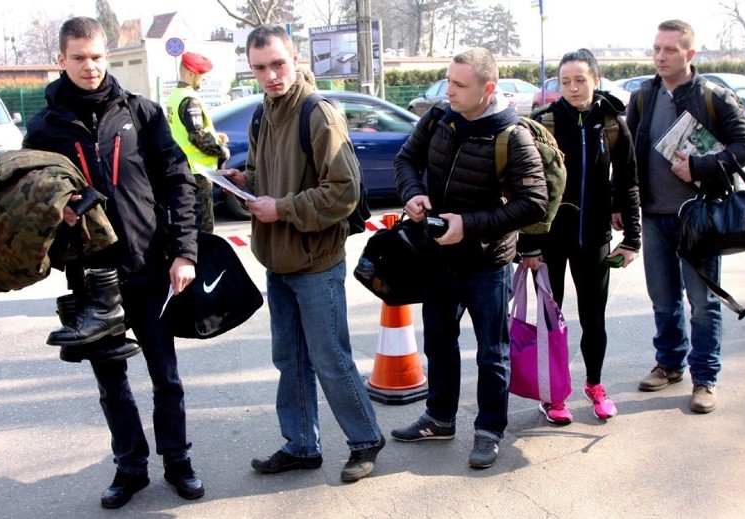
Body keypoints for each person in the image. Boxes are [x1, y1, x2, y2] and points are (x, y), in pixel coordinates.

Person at [22, 16, 205, 508]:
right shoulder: (44, 126)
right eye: (79, 57)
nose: (90, 66)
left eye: (98, 56)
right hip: (92, 281)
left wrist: (185, 251)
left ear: (108, 55)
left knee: (166, 377)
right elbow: (26, 196)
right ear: (61, 60)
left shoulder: (141, 113)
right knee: (112, 385)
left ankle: (178, 462)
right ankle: (130, 468)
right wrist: (50, 209)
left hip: (150, 267)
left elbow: (179, 182)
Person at [221, 24, 385, 483]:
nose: (271, 75)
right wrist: (243, 182)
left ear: (293, 59)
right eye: (260, 68)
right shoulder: (260, 115)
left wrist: (283, 208)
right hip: (277, 260)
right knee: (289, 360)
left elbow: (344, 192)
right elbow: (263, 176)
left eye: (278, 64)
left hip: (316, 262)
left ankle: (366, 440)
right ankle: (301, 446)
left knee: (330, 357)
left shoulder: (319, 113)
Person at [392, 47, 548, 469]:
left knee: (491, 353)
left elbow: (535, 203)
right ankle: (439, 419)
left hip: (487, 263)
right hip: (438, 257)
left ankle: (489, 430)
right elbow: (406, 158)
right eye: (448, 81)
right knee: (439, 343)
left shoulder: (513, 137)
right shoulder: (439, 117)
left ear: (488, 88)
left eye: (460, 85)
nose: (449, 91)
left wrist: (470, 224)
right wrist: (413, 194)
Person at [625, 19, 745, 413]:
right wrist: (623, 205)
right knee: (663, 300)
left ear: (690, 54)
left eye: (669, 50)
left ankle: (705, 379)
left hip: (699, 217)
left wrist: (699, 167)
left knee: (702, 302)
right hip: (653, 216)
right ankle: (669, 364)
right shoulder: (643, 97)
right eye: (656, 49)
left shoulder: (714, 95)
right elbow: (629, 156)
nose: (660, 57)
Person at [522, 49, 641, 424]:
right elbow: (524, 188)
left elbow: (628, 184)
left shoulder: (611, 125)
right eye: (566, 81)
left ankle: (595, 384)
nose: (573, 88)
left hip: (594, 238)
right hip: (550, 241)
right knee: (549, 321)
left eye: (581, 80)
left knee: (594, 318)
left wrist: (633, 239)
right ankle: (553, 393)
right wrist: (529, 244)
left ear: (596, 80)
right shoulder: (542, 125)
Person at [166, 51, 230, 233]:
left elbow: (185, 131)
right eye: (202, 75)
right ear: (191, 74)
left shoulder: (175, 96)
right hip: (198, 172)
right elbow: (197, 136)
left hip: (185, 167)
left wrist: (216, 137)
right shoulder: (189, 99)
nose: (203, 80)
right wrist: (221, 151)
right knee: (203, 227)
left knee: (190, 223)